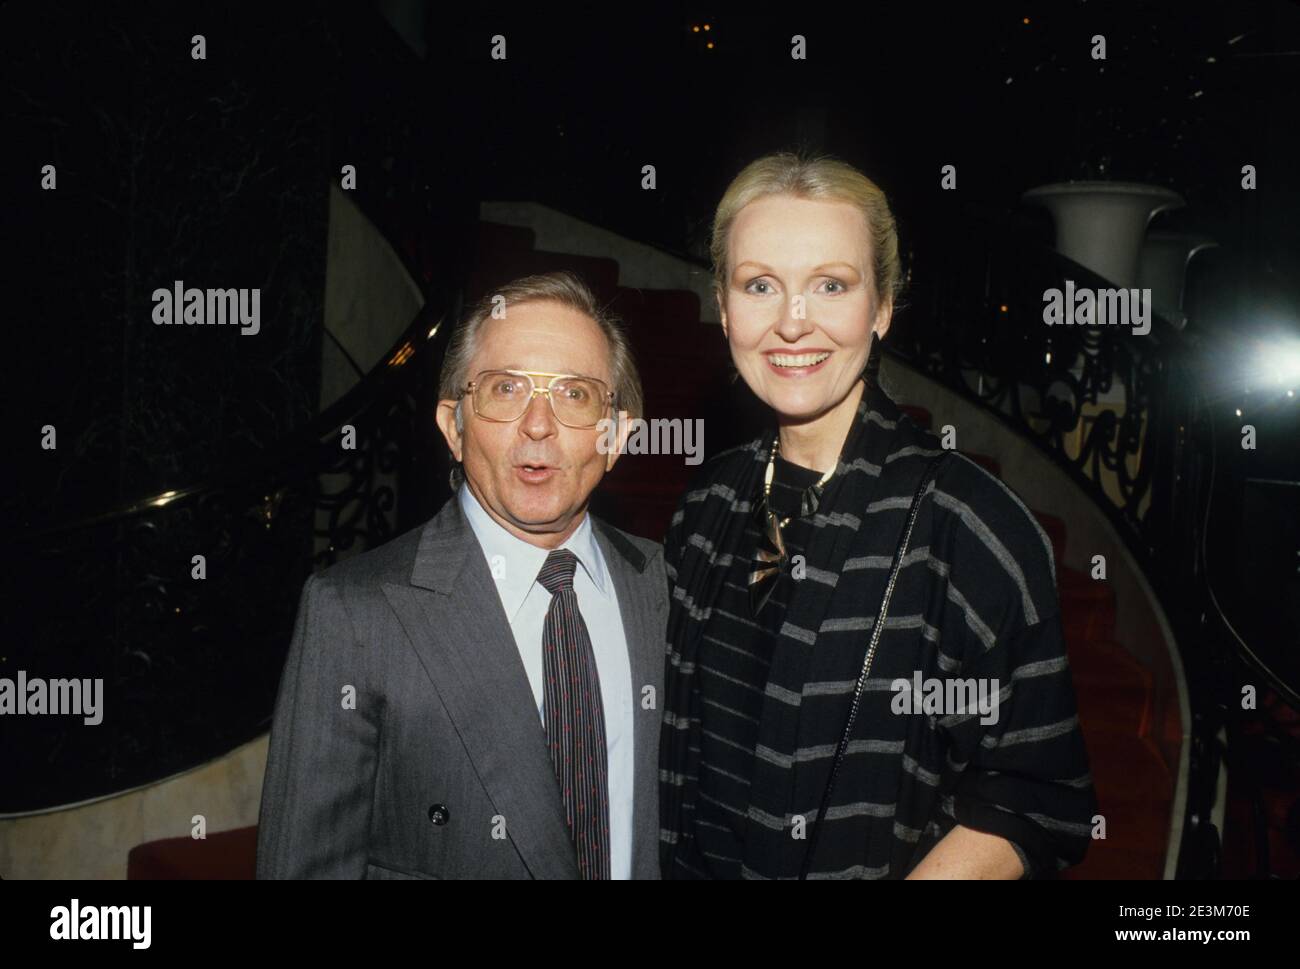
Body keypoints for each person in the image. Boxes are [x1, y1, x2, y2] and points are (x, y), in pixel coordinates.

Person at [659, 152, 1098, 879]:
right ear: (724, 303)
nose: (792, 323)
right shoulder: (705, 508)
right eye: (760, 284)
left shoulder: (970, 529)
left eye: (831, 284)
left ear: (883, 306)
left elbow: (1031, 798)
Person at [258, 271, 666, 879]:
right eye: (506, 388)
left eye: (576, 395)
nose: (538, 424)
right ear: (454, 425)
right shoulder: (354, 615)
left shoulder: (668, 589)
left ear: (616, 436)